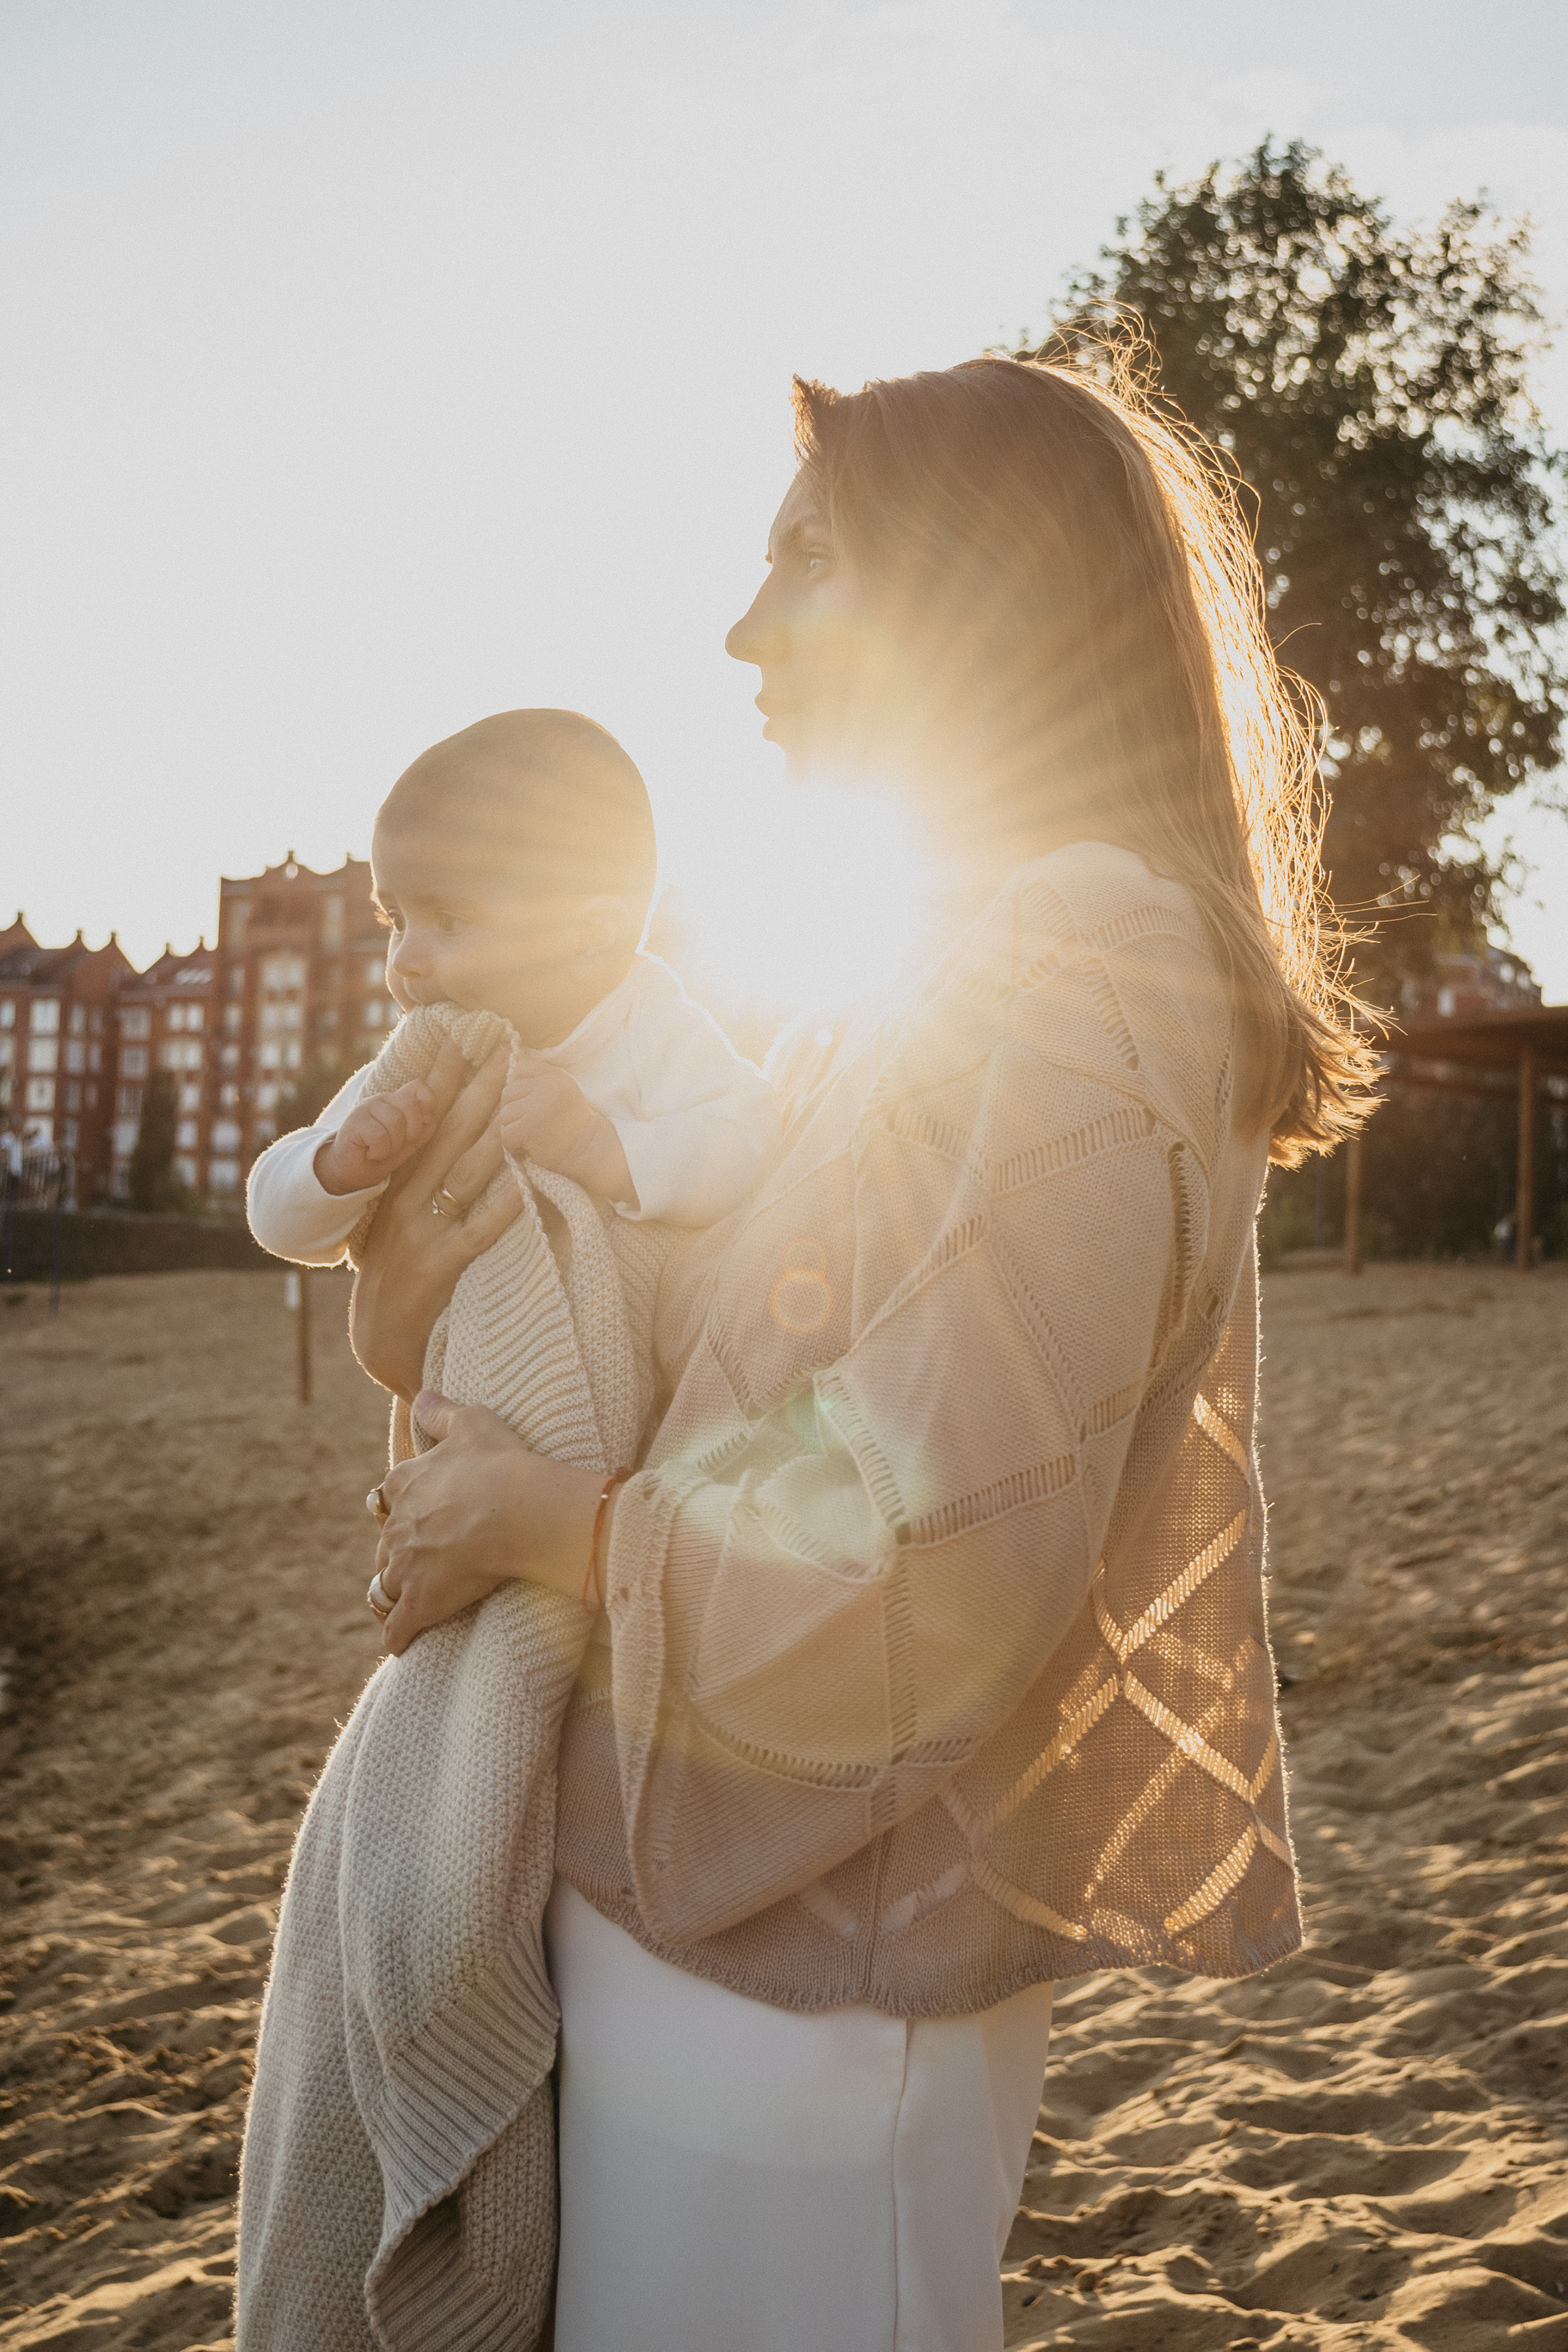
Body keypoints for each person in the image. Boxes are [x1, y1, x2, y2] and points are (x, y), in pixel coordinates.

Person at [346, 350, 1375, 2351]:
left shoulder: (1082, 971)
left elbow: (945, 1549)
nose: (739, 629)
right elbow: (734, 1376)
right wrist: (431, 1318)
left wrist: (553, 1527)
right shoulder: (940, 960)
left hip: (822, 1988)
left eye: (806, 561)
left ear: (980, 597)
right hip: (715, 1931)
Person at [246, 708, 780, 1269]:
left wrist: (597, 1146)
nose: (405, 959)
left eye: (449, 921)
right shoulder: (424, 1066)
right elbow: (277, 1221)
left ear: (589, 937)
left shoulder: (650, 1027)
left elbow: (747, 1140)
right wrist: (337, 1165)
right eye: (395, 921)